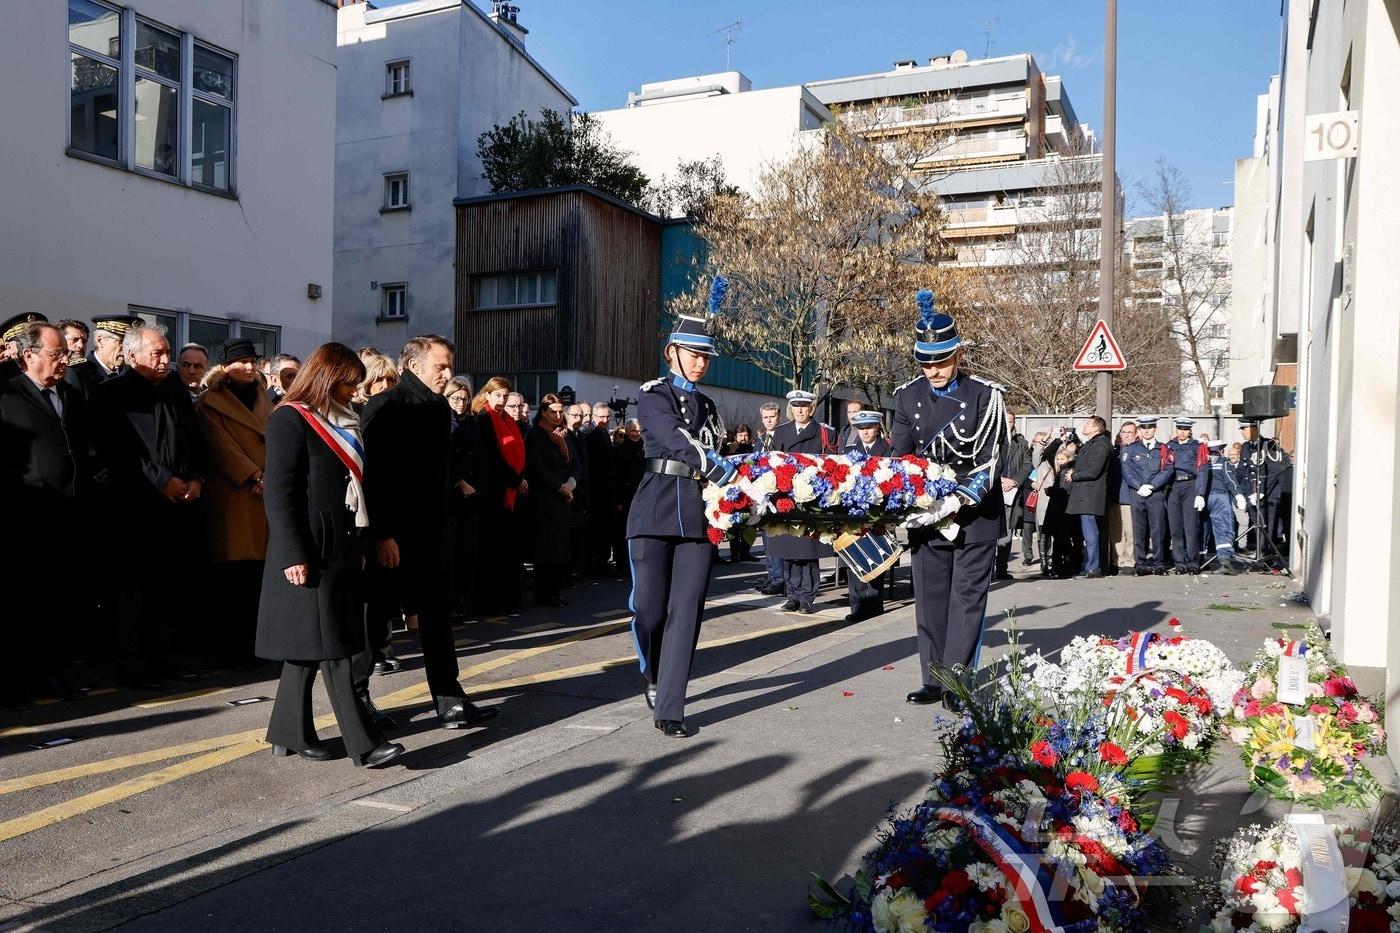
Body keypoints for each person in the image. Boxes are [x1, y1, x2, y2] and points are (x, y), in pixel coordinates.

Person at [256, 343, 403, 768]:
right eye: (348, 383)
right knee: (335, 646)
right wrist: (291, 554)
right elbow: (280, 494)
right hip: (310, 547)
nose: (354, 392)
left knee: (307, 647)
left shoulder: (344, 420)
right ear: (326, 377)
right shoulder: (289, 419)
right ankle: (365, 745)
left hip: (343, 542)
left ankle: (288, 731)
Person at [362, 336, 498, 730]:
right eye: (440, 366)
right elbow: (376, 477)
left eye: (449, 365)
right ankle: (359, 702)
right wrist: (383, 534)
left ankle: (450, 699)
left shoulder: (439, 408)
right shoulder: (385, 406)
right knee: (376, 621)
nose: (448, 374)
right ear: (414, 366)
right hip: (394, 535)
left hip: (432, 532)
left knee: (436, 617)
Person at [627, 282, 736, 738]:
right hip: (654, 508)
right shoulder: (653, 394)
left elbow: (722, 450)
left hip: (697, 516)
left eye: (705, 355)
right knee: (650, 610)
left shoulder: (709, 405)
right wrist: (716, 463)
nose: (699, 361)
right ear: (672, 352)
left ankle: (671, 705)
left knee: (687, 609)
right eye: (693, 353)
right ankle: (652, 672)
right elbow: (674, 440)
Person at [891, 291, 1008, 707]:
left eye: (941, 360)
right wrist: (903, 499)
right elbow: (902, 459)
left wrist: (956, 500)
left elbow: (990, 460)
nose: (933, 370)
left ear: (957, 354)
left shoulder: (985, 395)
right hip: (927, 512)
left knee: (966, 600)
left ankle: (958, 680)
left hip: (973, 513)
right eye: (926, 361)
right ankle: (933, 678)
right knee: (930, 596)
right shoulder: (907, 396)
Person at [91, 324, 207, 688]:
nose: (165, 360)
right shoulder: (112, 394)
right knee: (134, 592)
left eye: (166, 352)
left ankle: (168, 658)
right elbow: (116, 451)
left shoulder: (175, 390)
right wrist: (161, 480)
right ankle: (135, 665)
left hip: (180, 506)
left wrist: (196, 478)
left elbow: (195, 441)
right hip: (136, 508)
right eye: (157, 353)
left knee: (173, 588)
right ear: (133, 354)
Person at [0, 322, 91, 708]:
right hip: (23, 518)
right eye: (57, 354)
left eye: (66, 355)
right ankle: (14, 681)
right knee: (21, 604)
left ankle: (53, 673)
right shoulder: (6, 395)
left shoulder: (69, 395)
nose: (65, 361)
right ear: (28, 356)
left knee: (59, 601)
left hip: (67, 515)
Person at [196, 339, 274, 667]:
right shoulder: (209, 402)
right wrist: (253, 475)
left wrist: (270, 475)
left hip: (264, 494)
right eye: (241, 361)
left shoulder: (264, 398)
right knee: (234, 576)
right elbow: (220, 446)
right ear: (225, 365)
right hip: (234, 494)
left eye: (252, 360)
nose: (248, 366)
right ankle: (233, 650)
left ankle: (259, 645)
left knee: (259, 575)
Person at [768, 389, 837, 614]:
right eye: (796, 406)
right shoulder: (781, 433)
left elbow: (829, 464)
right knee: (788, 547)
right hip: (787, 497)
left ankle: (807, 596)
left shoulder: (823, 433)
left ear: (810, 408)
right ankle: (792, 594)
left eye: (804, 406)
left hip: (809, 498)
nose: (799, 410)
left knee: (807, 550)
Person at [476, 377, 527, 615]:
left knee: (508, 549)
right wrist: (516, 480)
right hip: (495, 492)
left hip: (511, 490)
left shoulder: (506, 418)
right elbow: (493, 458)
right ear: (487, 395)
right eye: (498, 395)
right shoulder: (485, 418)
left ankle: (508, 600)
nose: (502, 400)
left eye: (505, 396)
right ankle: (492, 602)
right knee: (494, 550)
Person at [524, 394, 576, 607]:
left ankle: (555, 591)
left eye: (560, 411)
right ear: (543, 412)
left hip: (564, 496)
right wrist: (559, 486)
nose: (557, 415)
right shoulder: (535, 435)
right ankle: (544, 594)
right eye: (552, 412)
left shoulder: (566, 435)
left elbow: (576, 462)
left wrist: (572, 482)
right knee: (545, 549)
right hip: (545, 497)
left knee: (559, 547)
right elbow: (537, 467)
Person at [842, 410, 892, 621]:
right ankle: (857, 606)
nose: (864, 432)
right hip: (854, 511)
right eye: (861, 429)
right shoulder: (850, 450)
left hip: (878, 510)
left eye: (868, 428)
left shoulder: (887, 450)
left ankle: (873, 604)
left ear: (877, 428)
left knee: (875, 556)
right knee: (854, 556)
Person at [446, 376, 480, 619]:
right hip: (451, 494)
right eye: (456, 398)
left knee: (467, 551)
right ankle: (450, 602)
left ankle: (463, 600)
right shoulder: (444, 423)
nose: (460, 403)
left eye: (465, 399)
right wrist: (460, 481)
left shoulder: (472, 423)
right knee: (451, 551)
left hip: (472, 494)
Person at [1121, 416, 1172, 575]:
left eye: (1149, 428)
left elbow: (1168, 470)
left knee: (1157, 529)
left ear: (1155, 429)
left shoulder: (1164, 449)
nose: (1146, 431)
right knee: (1139, 529)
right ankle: (1140, 563)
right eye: (1143, 428)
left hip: (1155, 493)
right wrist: (1138, 486)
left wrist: (1153, 485)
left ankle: (1158, 563)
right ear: (1139, 431)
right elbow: (1126, 471)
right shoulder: (1130, 449)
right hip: (1137, 493)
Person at [1066, 416, 1112, 579]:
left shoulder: (1100, 446)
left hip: (1090, 496)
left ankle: (1093, 567)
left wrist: (1074, 475)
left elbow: (1094, 470)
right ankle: (1089, 566)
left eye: (1087, 424)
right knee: (1088, 533)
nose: (1084, 426)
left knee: (1091, 533)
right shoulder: (1092, 444)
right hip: (1086, 495)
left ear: (1096, 428)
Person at [1165, 417, 1206, 574]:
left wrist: (1200, 493)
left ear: (1190, 431)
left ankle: (1193, 562)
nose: (1182, 432)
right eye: (1180, 429)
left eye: (1185, 429)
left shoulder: (1198, 446)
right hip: (1174, 486)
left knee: (1191, 527)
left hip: (1191, 485)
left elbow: (1203, 469)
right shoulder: (1169, 446)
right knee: (1175, 527)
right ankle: (1179, 562)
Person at [995, 410, 1032, 580]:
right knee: (988, 533)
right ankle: (985, 570)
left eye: (1011, 421)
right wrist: (998, 479)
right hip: (992, 489)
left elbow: (1027, 464)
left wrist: (1014, 481)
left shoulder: (1021, 443)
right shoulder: (990, 440)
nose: (1008, 424)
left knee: (1007, 533)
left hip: (1011, 491)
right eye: (1006, 420)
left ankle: (1001, 569)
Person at [753, 401, 785, 595]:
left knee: (777, 537)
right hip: (762, 495)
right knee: (766, 538)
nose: (769, 421)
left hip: (779, 495)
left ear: (778, 417)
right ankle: (773, 576)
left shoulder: (784, 436)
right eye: (765, 417)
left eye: (772, 417)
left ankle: (780, 579)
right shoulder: (760, 439)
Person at [1201, 439, 1245, 574]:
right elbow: (1230, 479)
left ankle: (1200, 559)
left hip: (1202, 497)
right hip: (1219, 497)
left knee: (1202, 529)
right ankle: (1224, 561)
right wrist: (1238, 494)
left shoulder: (1202, 462)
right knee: (1223, 528)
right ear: (1220, 451)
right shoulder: (1223, 462)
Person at [1043, 441, 1078, 579]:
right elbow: (1047, 454)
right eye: (1058, 459)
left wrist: (1051, 490)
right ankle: (1058, 567)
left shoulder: (1069, 471)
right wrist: (1058, 439)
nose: (1059, 461)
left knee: (1063, 541)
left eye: (1062, 459)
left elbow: (1065, 491)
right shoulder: (1061, 471)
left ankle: (1065, 567)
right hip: (1057, 511)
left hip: (1064, 511)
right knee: (1058, 540)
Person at [1109, 421, 1138, 573]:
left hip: (1129, 496)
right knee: (1116, 532)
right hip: (1114, 497)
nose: (1126, 435)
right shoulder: (1114, 452)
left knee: (1130, 532)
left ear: (1136, 435)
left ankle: (1129, 560)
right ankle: (1117, 560)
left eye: (1129, 432)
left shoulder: (1137, 451)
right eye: (1123, 432)